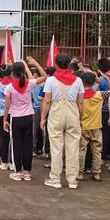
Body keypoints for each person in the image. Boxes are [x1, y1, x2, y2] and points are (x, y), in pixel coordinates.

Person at [40, 54, 84, 190]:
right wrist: (80, 118)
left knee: (56, 147)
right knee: (73, 148)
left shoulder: (51, 80)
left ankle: (55, 179)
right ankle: (72, 180)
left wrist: (43, 118)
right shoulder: (78, 80)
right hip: (73, 112)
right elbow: (81, 102)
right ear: (69, 64)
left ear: (56, 65)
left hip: (56, 113)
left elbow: (47, 100)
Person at [4, 58, 47, 181]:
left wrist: (5, 120)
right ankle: (27, 172)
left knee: (17, 145)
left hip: (16, 119)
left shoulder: (9, 88)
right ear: (23, 72)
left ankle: (18, 172)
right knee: (27, 145)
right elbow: (44, 76)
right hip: (28, 117)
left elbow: (7, 106)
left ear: (12, 73)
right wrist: (33, 64)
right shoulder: (30, 84)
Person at [78, 71, 110, 182]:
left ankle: (80, 173)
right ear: (94, 82)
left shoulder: (79, 96)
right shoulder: (99, 94)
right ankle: (97, 173)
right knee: (97, 151)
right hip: (96, 126)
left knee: (81, 150)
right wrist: (106, 79)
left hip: (83, 126)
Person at [31, 68, 44, 156]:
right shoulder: (44, 85)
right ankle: (40, 148)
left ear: (35, 75)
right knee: (42, 131)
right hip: (44, 109)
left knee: (34, 131)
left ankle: (33, 149)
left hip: (35, 109)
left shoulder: (32, 86)